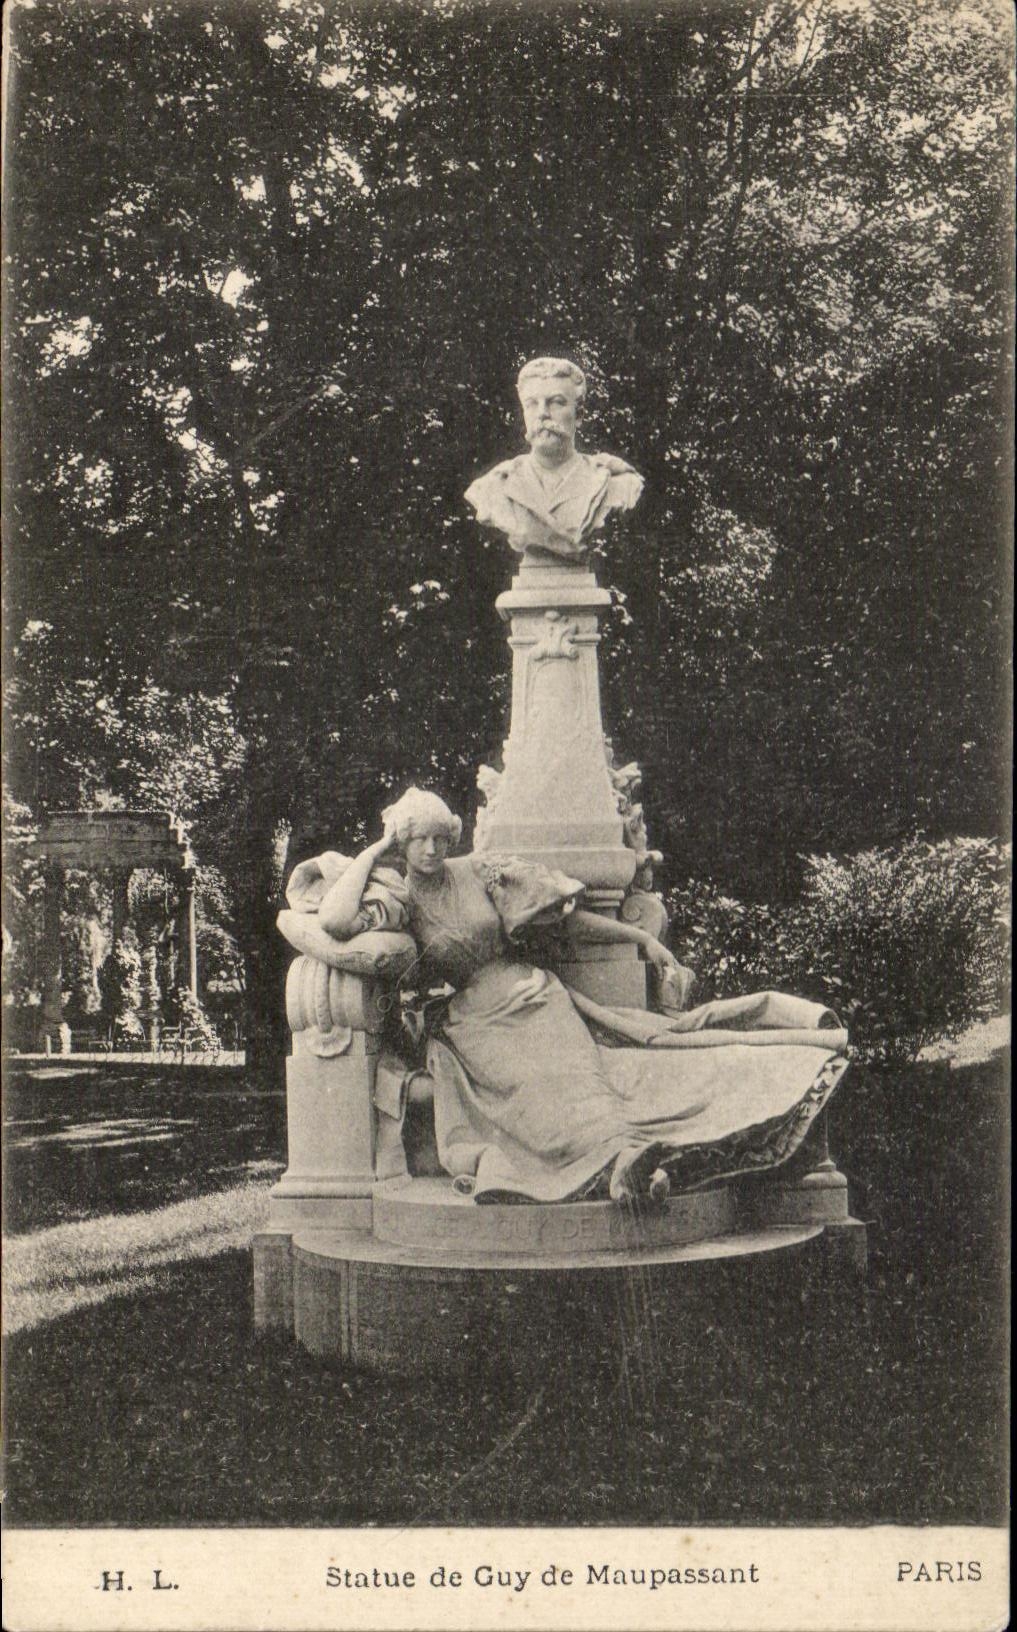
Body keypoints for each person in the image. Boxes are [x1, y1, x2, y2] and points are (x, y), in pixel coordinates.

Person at [301, 788, 849, 1206]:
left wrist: (640, 937)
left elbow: (567, 923)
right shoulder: (397, 896)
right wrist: (375, 849)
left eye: (440, 837)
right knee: (537, 1093)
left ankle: (638, 1158)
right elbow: (335, 919)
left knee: (587, 1080)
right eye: (418, 837)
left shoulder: (483, 871)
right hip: (474, 1024)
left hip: (539, 998)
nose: (431, 848)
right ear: (402, 839)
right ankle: (619, 1162)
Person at [464, 358, 643, 563]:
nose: (542, 413)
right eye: (532, 404)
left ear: (579, 415)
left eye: (556, 402)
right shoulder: (494, 486)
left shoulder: (615, 483)